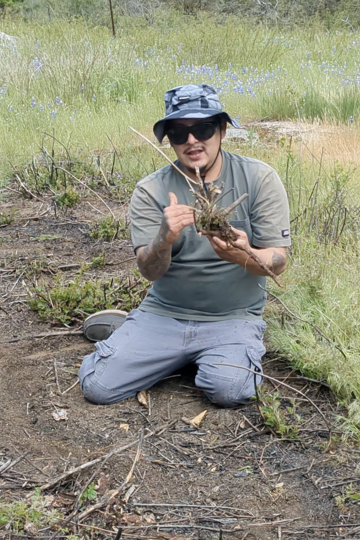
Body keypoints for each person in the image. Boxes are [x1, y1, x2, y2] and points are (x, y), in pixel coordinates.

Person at [79, 84, 291, 408]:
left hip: (232, 316)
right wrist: (163, 239)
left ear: (221, 129)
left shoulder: (259, 178)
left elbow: (277, 261)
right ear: (169, 140)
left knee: (231, 391)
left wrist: (243, 254)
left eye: (203, 128)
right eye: (179, 133)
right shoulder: (151, 190)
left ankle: (193, 354)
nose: (192, 140)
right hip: (166, 314)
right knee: (96, 386)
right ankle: (142, 335)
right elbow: (149, 271)